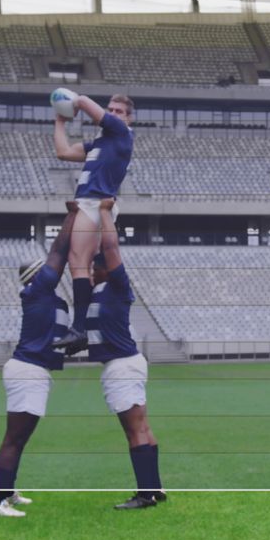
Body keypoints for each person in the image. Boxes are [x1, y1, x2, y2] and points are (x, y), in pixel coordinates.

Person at [0, 201, 79, 517]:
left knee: (21, 437)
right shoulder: (38, 291)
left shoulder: (53, 303)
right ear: (38, 277)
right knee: (14, 438)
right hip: (28, 370)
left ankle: (8, 492)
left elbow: (58, 341)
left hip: (35, 370)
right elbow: (59, 251)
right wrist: (74, 215)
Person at [87, 197, 166, 510]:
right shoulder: (99, 291)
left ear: (107, 271)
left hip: (122, 367)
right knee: (143, 428)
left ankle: (145, 495)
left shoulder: (118, 286)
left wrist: (106, 214)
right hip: (124, 364)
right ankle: (155, 489)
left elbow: (111, 249)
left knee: (134, 431)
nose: (92, 274)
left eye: (96, 270)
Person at [51, 91, 135, 354]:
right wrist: (60, 121)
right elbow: (63, 152)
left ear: (128, 119)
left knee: (78, 261)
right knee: (92, 268)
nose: (112, 114)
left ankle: (79, 329)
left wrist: (74, 102)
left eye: (118, 111)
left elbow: (86, 101)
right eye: (110, 109)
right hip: (92, 204)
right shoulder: (97, 145)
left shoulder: (121, 134)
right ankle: (83, 328)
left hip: (95, 202)